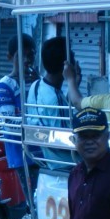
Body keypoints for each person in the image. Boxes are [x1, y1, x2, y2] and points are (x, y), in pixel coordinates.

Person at [0, 33, 40, 197]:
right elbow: (9, 121)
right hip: (21, 152)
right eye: (21, 56)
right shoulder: (5, 85)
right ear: (9, 57)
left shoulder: (37, 81)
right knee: (34, 198)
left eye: (31, 55)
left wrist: (39, 83)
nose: (27, 60)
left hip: (41, 149)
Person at [26, 37, 74, 166]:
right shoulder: (54, 99)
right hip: (65, 164)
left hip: (46, 159)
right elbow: (66, 141)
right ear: (65, 64)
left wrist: (74, 83)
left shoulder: (35, 86)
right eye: (72, 55)